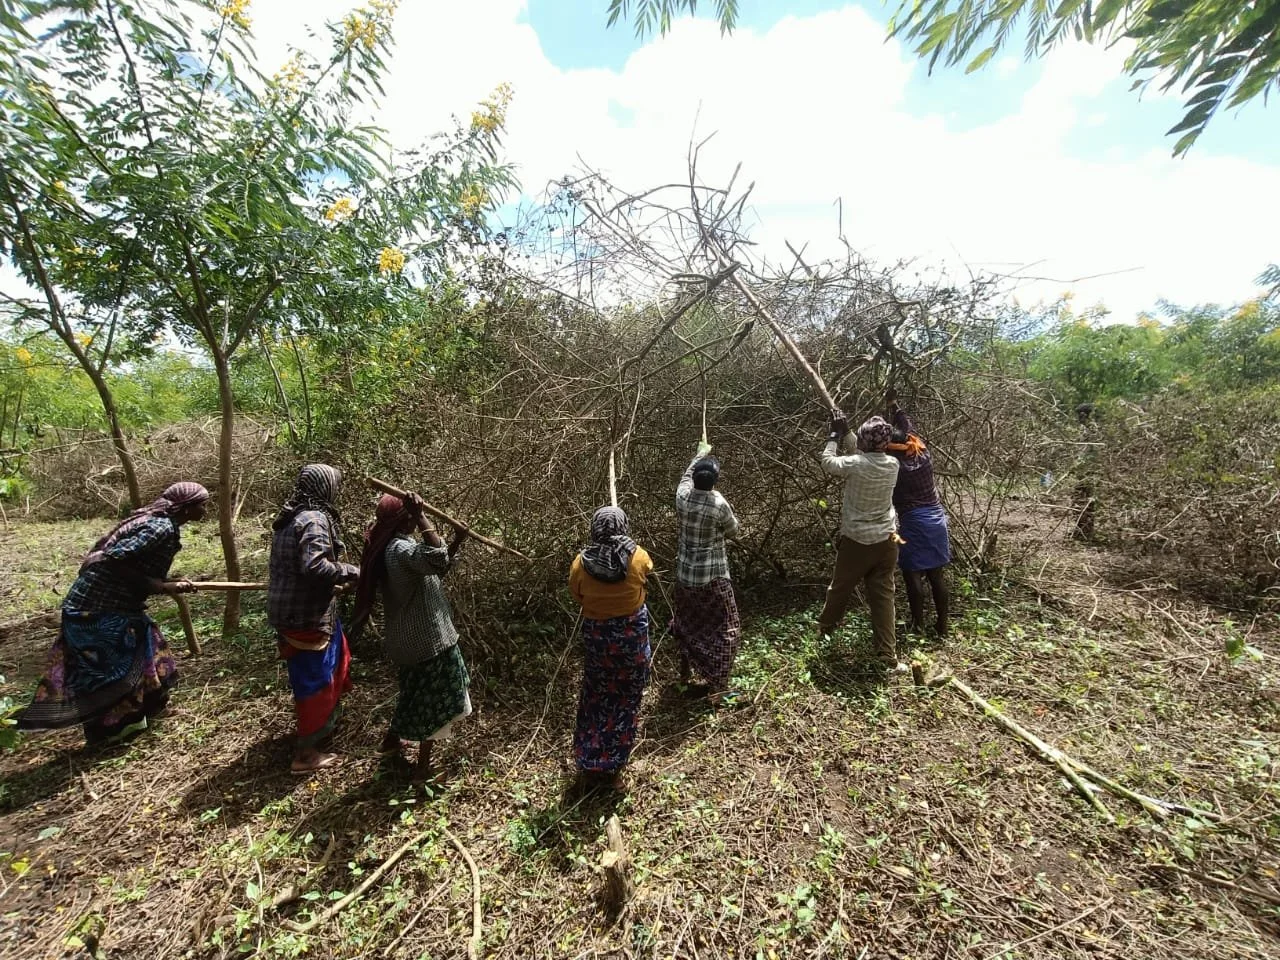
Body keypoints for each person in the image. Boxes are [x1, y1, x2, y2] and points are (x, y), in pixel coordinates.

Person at [18, 482, 209, 745]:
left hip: (114, 606)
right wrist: (157, 586)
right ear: (186, 508)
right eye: (202, 505)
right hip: (96, 610)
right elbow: (113, 559)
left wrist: (168, 581)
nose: (205, 510)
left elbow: (134, 563)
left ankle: (151, 708)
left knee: (149, 646)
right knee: (110, 671)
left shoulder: (159, 523)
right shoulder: (160, 527)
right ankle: (113, 731)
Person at [351, 491, 471, 782]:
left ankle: (390, 743)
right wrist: (421, 515)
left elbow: (437, 566)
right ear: (405, 521)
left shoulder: (391, 546)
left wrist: (456, 540)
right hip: (428, 640)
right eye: (411, 518)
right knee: (435, 702)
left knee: (413, 694)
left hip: (407, 641)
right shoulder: (399, 550)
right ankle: (422, 769)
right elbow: (435, 557)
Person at [268, 464, 358, 774]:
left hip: (293, 611)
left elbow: (300, 569)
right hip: (306, 616)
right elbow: (316, 567)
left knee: (330, 664)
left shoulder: (290, 517)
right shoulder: (314, 520)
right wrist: (351, 571)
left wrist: (335, 583)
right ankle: (306, 755)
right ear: (324, 488)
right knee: (315, 680)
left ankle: (322, 730)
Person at [567, 506, 653, 791]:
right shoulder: (638, 556)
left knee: (597, 698)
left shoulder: (580, 563)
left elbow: (577, 594)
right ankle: (613, 770)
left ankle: (590, 762)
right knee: (625, 702)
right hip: (631, 640)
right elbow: (646, 574)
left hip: (598, 640)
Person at [817, 412, 904, 670]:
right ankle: (887, 654)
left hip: (857, 541)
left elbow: (828, 462)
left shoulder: (855, 464)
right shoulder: (893, 464)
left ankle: (825, 631)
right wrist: (847, 432)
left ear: (865, 442)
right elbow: (865, 452)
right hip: (886, 541)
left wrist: (835, 435)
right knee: (883, 597)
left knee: (840, 588)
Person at [670, 443, 742, 703]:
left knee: (687, 626)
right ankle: (718, 687)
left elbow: (685, 477)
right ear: (714, 481)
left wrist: (700, 454)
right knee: (728, 628)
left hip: (685, 577)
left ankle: (685, 677)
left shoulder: (683, 498)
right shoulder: (718, 504)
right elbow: (734, 531)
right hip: (713, 579)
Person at [886, 389, 951, 637]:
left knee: (911, 572)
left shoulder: (896, 469)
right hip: (936, 519)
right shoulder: (921, 452)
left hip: (913, 522)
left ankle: (919, 625)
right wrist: (894, 405)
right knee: (936, 574)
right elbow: (907, 425)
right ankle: (942, 625)